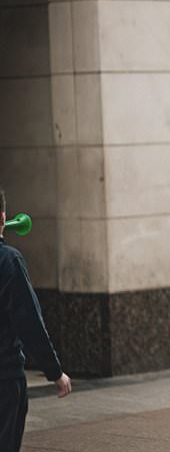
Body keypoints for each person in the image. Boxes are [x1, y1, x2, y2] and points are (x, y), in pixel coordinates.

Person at [0, 187, 72, 452]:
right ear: (3, 218)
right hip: (4, 379)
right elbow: (29, 322)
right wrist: (54, 371)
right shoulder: (9, 262)